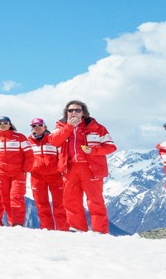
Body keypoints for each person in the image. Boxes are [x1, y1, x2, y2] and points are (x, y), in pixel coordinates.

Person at [48, 100, 116, 233]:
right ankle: (77, 229)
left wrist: (93, 150)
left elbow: (111, 147)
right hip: (70, 168)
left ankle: (100, 231)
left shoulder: (97, 127)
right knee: (71, 200)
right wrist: (68, 127)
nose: (74, 112)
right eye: (70, 110)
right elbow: (54, 142)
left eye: (78, 110)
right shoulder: (60, 126)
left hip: (91, 169)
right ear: (66, 113)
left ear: (83, 113)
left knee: (95, 201)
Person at [0, 116, 32, 226]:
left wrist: (24, 169)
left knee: (16, 197)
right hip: (2, 174)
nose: (2, 125)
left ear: (10, 124)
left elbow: (29, 155)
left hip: (18, 173)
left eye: (5, 123)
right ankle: (12, 222)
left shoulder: (20, 137)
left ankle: (18, 223)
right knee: (5, 199)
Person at [27, 117, 67, 230]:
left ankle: (63, 230)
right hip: (37, 177)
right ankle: (47, 230)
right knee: (41, 205)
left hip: (55, 176)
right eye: (34, 126)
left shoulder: (53, 139)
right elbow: (24, 158)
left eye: (39, 125)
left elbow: (62, 155)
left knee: (60, 205)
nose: (37, 128)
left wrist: (62, 169)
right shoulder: (28, 142)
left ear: (45, 126)